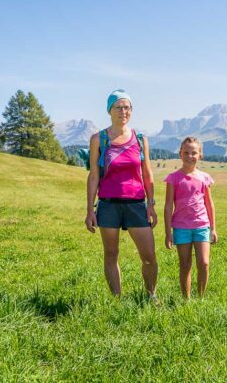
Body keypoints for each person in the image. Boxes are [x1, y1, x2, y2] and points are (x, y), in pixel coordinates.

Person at [84, 89, 158, 301]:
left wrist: (151, 204)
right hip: (108, 205)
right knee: (111, 254)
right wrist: (90, 210)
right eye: (118, 107)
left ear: (131, 111)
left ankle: (151, 296)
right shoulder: (99, 139)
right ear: (109, 110)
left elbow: (147, 173)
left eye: (127, 107)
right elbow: (94, 176)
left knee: (149, 257)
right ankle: (117, 300)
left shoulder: (140, 138)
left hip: (136, 204)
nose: (123, 111)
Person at [163, 137, 217, 299]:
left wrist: (213, 228)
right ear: (180, 154)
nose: (189, 156)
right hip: (181, 227)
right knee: (185, 265)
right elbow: (167, 206)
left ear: (200, 155)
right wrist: (168, 233)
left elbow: (209, 204)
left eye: (194, 153)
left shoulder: (204, 177)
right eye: (186, 152)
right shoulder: (173, 178)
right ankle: (186, 300)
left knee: (204, 263)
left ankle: (200, 298)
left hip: (202, 226)